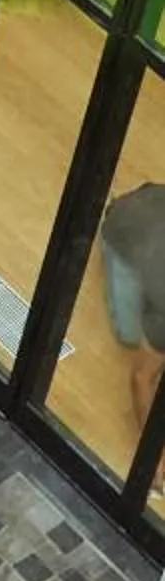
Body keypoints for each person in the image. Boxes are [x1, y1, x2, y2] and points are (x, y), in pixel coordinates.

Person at [99, 183, 165, 427]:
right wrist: (156, 461)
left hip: (155, 207)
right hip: (125, 227)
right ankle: (111, 210)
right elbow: (141, 378)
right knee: (128, 335)